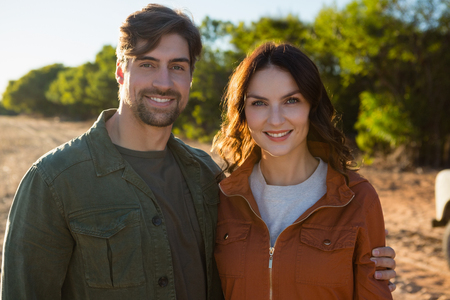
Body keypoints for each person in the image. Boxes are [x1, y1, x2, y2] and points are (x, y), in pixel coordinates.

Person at [1, 4, 396, 300]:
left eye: (177, 66)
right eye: (147, 63)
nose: (162, 81)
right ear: (121, 71)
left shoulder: (210, 179)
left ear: (190, 77)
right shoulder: (54, 181)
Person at [212, 42, 394, 299]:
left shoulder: (357, 198)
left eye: (291, 100)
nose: (275, 119)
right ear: (243, 113)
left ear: (312, 106)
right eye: (259, 103)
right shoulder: (222, 198)